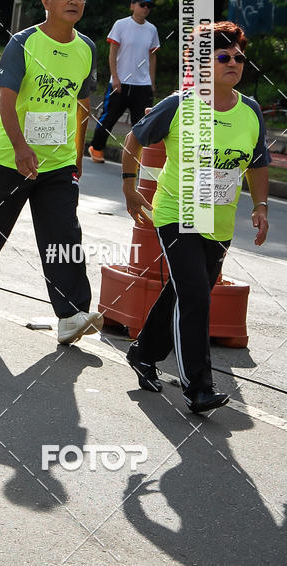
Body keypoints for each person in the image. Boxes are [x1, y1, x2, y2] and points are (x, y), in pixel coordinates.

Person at [121, 21, 270, 414]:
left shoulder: (250, 111)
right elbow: (135, 138)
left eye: (239, 57)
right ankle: (198, 387)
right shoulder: (179, 105)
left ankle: (143, 352)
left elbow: (257, 163)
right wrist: (129, 186)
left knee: (183, 291)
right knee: (196, 296)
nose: (234, 62)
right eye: (223, 56)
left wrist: (261, 206)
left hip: (219, 222)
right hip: (177, 213)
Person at [0, 0, 104, 343]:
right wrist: (20, 148)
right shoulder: (23, 43)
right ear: (46, 0)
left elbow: (82, 103)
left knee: (63, 236)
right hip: (9, 159)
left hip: (57, 164)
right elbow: (6, 102)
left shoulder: (86, 48)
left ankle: (71, 314)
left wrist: (77, 155)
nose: (74, 1)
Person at [88, 0, 159, 162]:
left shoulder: (152, 29)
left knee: (141, 123)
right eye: (142, 5)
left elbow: (152, 56)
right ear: (132, 6)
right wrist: (115, 77)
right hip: (121, 82)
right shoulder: (121, 25)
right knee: (109, 117)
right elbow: (113, 53)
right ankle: (96, 148)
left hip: (142, 84)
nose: (146, 8)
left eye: (149, 6)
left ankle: (137, 157)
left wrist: (152, 81)